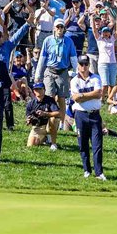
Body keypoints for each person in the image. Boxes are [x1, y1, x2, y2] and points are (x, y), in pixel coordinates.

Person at [34, 18, 78, 149]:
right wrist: (38, 74)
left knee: (62, 98)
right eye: (58, 27)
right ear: (54, 28)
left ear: (64, 28)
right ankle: (49, 126)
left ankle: (60, 123)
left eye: (61, 27)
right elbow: (42, 58)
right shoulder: (48, 40)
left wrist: (75, 73)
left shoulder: (68, 41)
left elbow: (73, 57)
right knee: (50, 98)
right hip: (50, 70)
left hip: (63, 71)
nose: (60, 29)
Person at [70, 55, 105, 180]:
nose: (83, 67)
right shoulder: (74, 81)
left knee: (97, 145)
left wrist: (82, 95)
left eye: (85, 64)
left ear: (89, 65)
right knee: (83, 144)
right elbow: (75, 98)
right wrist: (90, 95)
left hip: (95, 114)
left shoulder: (96, 78)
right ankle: (87, 170)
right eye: (81, 64)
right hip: (81, 115)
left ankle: (99, 172)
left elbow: (99, 93)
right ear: (78, 65)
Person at [25, 82, 61, 147]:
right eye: (36, 89)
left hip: (48, 124)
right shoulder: (30, 104)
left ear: (44, 90)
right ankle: (44, 138)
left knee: (53, 119)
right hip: (38, 126)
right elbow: (28, 117)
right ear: (33, 91)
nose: (38, 91)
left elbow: (58, 113)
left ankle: (53, 143)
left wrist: (45, 113)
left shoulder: (50, 100)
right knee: (31, 145)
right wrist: (28, 120)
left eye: (40, 89)